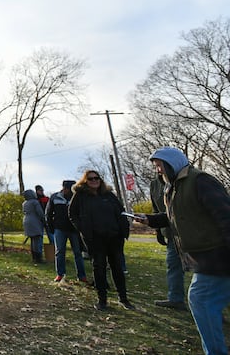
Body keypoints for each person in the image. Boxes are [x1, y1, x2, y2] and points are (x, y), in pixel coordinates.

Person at [139, 147, 230, 355]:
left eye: (160, 166)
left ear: (171, 164)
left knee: (200, 299)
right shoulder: (173, 187)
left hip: (217, 255)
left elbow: (225, 216)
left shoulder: (200, 181)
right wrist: (150, 220)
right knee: (206, 301)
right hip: (203, 257)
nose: (158, 171)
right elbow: (177, 215)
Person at [69, 169, 133, 311]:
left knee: (117, 267)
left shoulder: (109, 195)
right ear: (85, 181)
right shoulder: (80, 196)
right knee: (99, 267)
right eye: (91, 179)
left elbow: (120, 211)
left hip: (114, 237)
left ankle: (123, 298)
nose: (94, 181)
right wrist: (83, 229)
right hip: (95, 238)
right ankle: (102, 300)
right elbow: (72, 214)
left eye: (96, 178)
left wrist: (123, 230)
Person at [149, 159, 187, 310]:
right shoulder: (155, 184)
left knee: (204, 271)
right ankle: (176, 299)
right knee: (173, 265)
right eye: (156, 166)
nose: (158, 169)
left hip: (191, 233)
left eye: (161, 165)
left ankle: (214, 307)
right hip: (171, 234)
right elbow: (155, 207)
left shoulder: (184, 181)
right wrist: (158, 230)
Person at [46, 179, 88, 283]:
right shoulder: (55, 197)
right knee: (60, 252)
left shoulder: (77, 198)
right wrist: (52, 228)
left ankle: (82, 276)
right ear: (63, 188)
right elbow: (48, 213)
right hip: (59, 229)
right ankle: (60, 274)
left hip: (74, 229)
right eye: (67, 189)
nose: (68, 191)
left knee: (78, 253)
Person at [22, 189, 46, 264]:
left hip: (26, 221)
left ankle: (34, 257)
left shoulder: (24, 203)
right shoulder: (35, 202)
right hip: (35, 221)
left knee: (32, 240)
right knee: (37, 240)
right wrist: (44, 220)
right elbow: (40, 212)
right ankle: (38, 258)